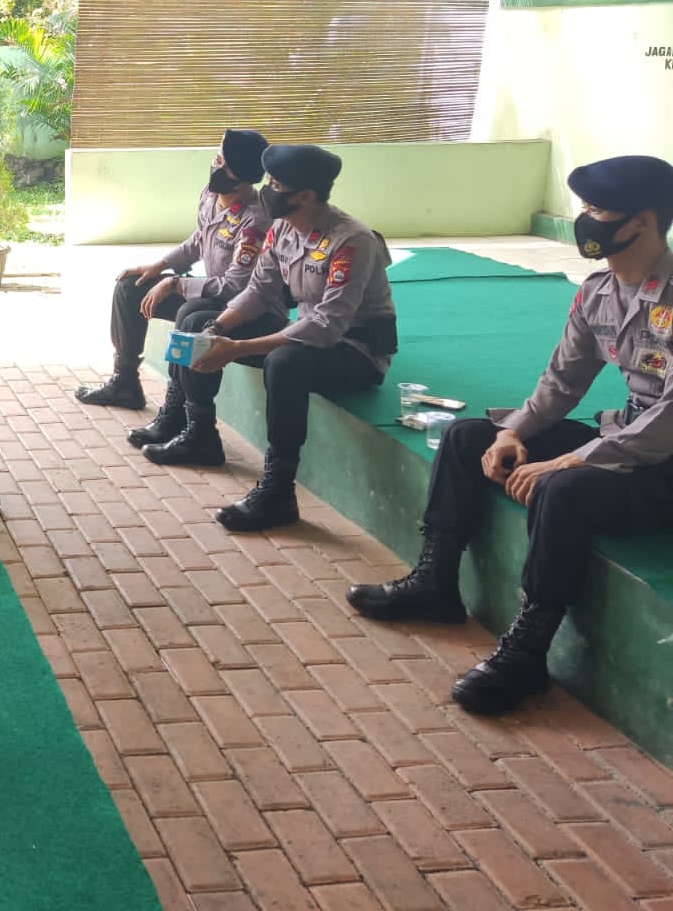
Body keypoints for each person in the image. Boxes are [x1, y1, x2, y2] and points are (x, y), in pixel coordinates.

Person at [348, 155, 673, 717]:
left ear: (642, 221)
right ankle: (436, 582)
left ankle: (527, 653)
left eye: (596, 209)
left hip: (664, 464)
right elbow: (561, 382)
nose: (584, 219)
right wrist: (512, 432)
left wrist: (572, 460)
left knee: (561, 490)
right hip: (627, 440)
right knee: (469, 437)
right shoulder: (598, 290)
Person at [173, 144, 397, 532]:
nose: (266, 191)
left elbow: (327, 325)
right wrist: (218, 329)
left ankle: (278, 492)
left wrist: (238, 348)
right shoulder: (282, 228)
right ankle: (199, 434)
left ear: (305, 195)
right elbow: (258, 292)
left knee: (284, 362)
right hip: (306, 334)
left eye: (276, 185)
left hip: (355, 349)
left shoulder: (352, 241)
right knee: (198, 324)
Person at [73, 128, 272, 446]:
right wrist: (159, 266)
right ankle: (125, 381)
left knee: (190, 315)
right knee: (130, 287)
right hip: (210, 292)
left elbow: (235, 286)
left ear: (243, 177)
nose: (216, 165)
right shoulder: (210, 195)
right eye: (216, 157)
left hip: (238, 305)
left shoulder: (255, 219)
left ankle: (175, 414)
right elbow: (198, 240)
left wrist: (176, 284)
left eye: (224, 163)